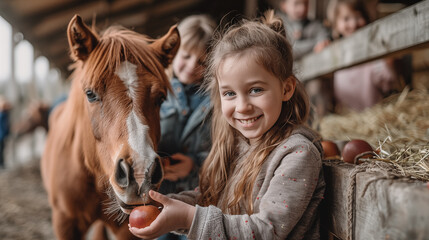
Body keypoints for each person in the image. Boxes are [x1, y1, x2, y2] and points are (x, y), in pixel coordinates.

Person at [129, 10, 325, 240]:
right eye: (230, 93)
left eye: (255, 90)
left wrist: (188, 218)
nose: (242, 106)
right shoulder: (238, 145)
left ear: (286, 88)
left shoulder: (297, 154)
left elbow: (266, 231)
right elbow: (212, 198)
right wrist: (168, 204)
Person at [156, 14, 216, 240]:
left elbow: (220, 148)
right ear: (172, 53)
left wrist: (194, 164)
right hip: (158, 197)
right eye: (186, 56)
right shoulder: (156, 93)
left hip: (199, 199)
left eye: (201, 62)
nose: (192, 66)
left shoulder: (215, 101)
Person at [326, 0, 401, 112]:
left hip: (372, 113)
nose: (353, 24)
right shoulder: (334, 51)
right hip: (345, 116)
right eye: (346, 19)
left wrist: (388, 63)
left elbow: (388, 81)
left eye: (358, 17)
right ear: (336, 25)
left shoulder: (374, 48)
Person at [0, 95, 12, 169]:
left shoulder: (5, 114)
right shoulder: (2, 115)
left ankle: (2, 163)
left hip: (2, 135)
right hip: (1, 135)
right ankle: (2, 163)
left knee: (2, 149)